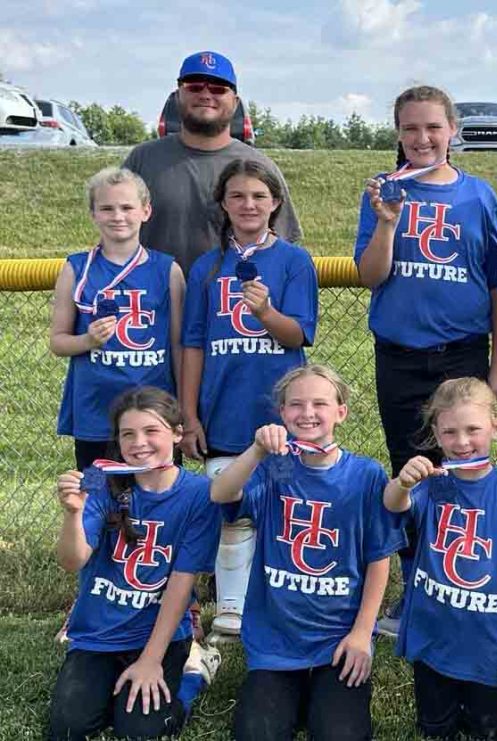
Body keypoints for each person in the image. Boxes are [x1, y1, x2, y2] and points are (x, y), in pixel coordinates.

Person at [354, 85, 497, 636]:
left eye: (433, 128)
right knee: (412, 469)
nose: (423, 139)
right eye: (411, 129)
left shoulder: (478, 196)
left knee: (462, 466)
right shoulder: (381, 190)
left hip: (460, 354)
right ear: (398, 133)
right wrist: (388, 222)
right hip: (399, 354)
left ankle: (464, 575)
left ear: (452, 132)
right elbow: (371, 276)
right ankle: (419, 579)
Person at [209, 365, 405, 741]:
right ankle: (290, 695)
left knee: (341, 733)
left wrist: (364, 633)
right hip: (276, 642)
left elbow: (379, 557)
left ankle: (318, 697)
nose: (307, 412)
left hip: (339, 639)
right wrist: (256, 450)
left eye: (320, 403)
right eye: (295, 405)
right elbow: (221, 494)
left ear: (341, 412)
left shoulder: (365, 475)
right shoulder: (275, 469)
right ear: (282, 414)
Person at [181, 158, 318, 640]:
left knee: (283, 506)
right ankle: (232, 605)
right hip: (223, 407)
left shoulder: (294, 261)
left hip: (277, 408)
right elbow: (194, 343)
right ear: (223, 203)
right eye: (237, 196)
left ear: (276, 203)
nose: (248, 204)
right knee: (230, 507)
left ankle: (280, 599)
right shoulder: (207, 266)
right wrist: (189, 413)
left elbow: (298, 333)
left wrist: (264, 312)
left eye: (259, 196)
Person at [384, 377, 497, 740]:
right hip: (432, 638)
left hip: (489, 643)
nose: (461, 442)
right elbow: (392, 506)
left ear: (496, 425)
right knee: (435, 727)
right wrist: (402, 483)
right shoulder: (431, 483)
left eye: (473, 429)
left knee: (489, 729)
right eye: (449, 432)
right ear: (436, 433)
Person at [48, 387, 221, 741]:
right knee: (68, 729)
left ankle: (194, 673)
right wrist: (72, 513)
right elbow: (72, 561)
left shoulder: (200, 494)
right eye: (128, 434)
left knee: (140, 732)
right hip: (98, 633)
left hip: (159, 634)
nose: (139, 442)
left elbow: (181, 582)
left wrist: (151, 659)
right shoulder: (99, 475)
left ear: (176, 433)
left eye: (151, 431)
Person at [50, 167, 184, 471]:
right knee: (98, 500)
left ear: (146, 211)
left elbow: (179, 346)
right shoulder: (76, 268)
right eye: (107, 208)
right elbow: (58, 342)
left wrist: (185, 408)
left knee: (157, 496)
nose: (118, 216)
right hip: (96, 411)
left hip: (155, 411)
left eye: (127, 207)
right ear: (93, 214)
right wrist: (88, 340)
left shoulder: (168, 270)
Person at [123, 50, 301, 274]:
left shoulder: (260, 167)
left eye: (218, 88)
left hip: (229, 304)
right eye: (195, 86)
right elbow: (114, 237)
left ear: (235, 102)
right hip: (157, 303)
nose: (206, 95)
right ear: (178, 94)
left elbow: (283, 250)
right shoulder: (142, 160)